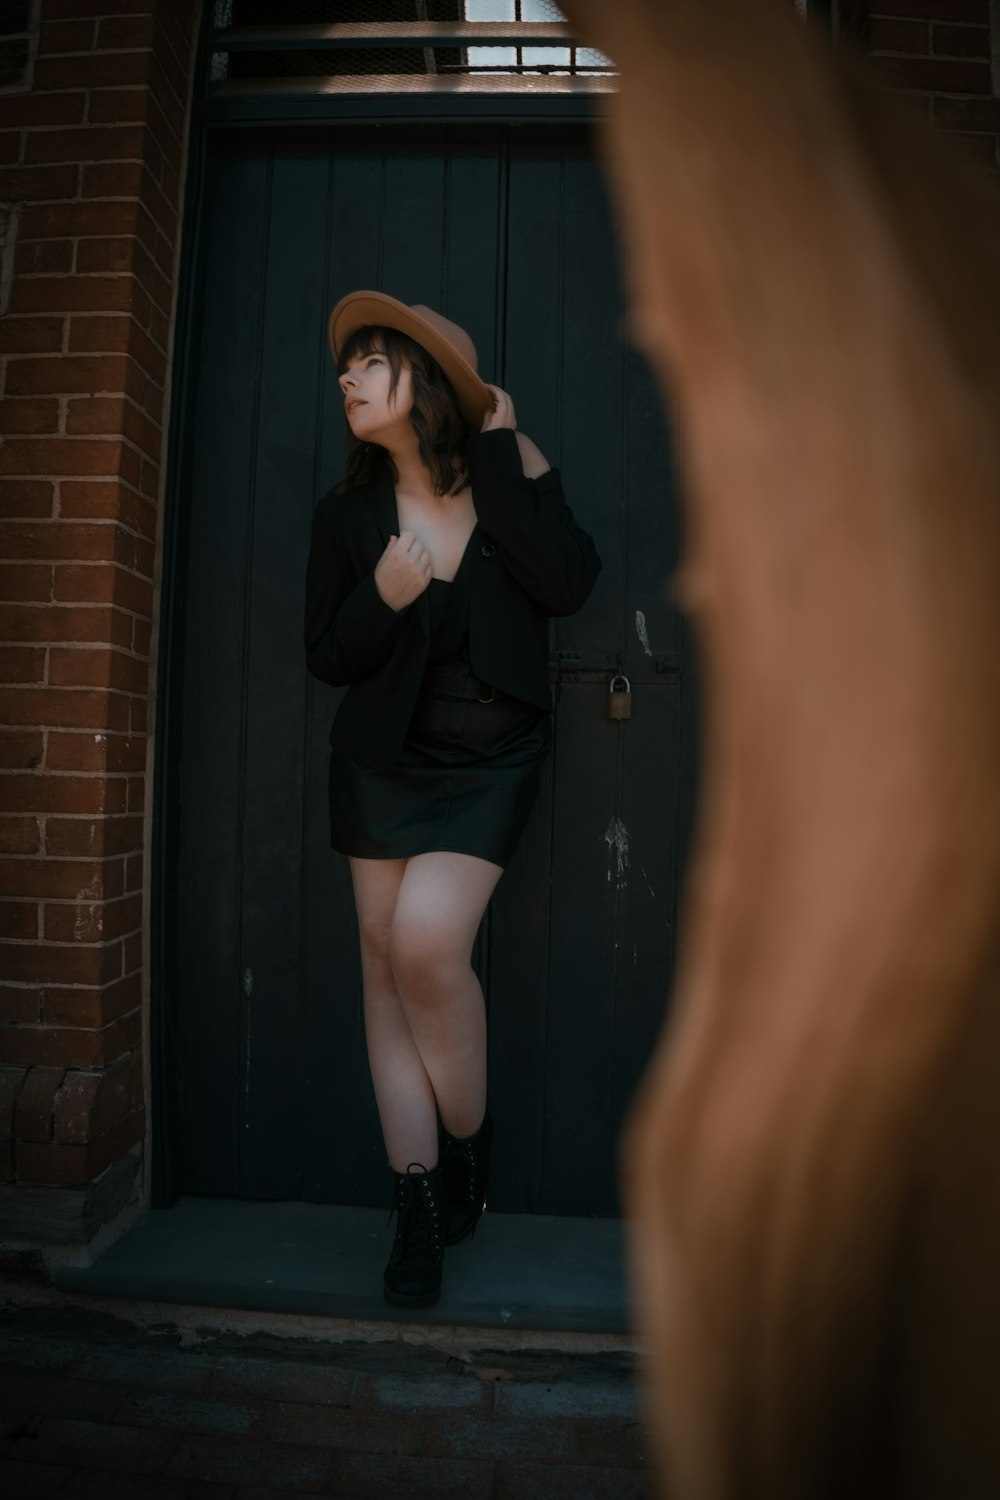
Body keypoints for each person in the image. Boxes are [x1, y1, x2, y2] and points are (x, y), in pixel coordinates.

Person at [304, 292, 602, 1307]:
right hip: (380, 767)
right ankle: (419, 1203)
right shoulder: (345, 517)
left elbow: (568, 583)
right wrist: (378, 595)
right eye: (346, 367)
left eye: (371, 361)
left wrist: (507, 456)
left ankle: (469, 1143)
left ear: (425, 384)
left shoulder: (514, 474)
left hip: (491, 765)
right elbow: (326, 656)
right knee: (383, 977)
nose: (347, 378)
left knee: (426, 948)